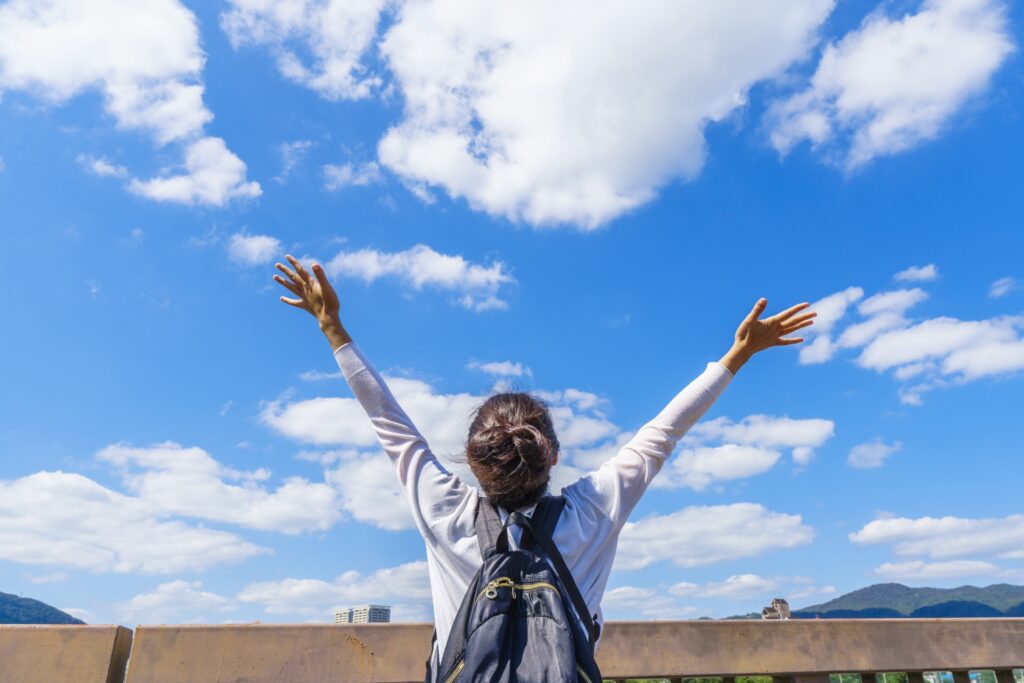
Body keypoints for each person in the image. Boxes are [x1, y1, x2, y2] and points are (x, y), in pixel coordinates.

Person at [273, 254, 815, 669]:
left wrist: (332, 326)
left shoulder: (445, 512)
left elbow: (391, 424)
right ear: (551, 453)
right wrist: (737, 355)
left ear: (470, 458)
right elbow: (663, 432)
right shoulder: (592, 512)